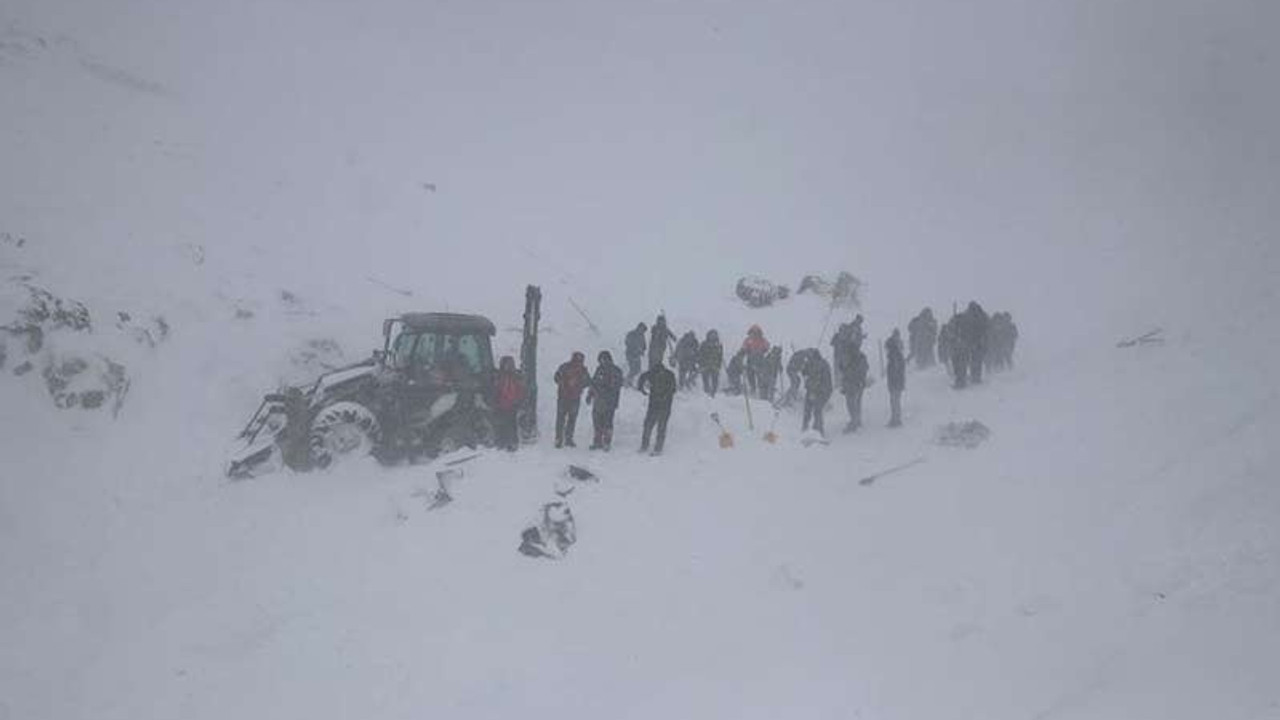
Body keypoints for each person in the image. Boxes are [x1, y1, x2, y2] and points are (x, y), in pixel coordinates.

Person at [585, 350, 624, 451]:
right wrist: (590, 395)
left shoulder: (616, 370)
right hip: (599, 401)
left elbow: (617, 386)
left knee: (607, 422)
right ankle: (598, 441)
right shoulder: (599, 369)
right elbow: (594, 383)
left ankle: (606, 442)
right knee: (598, 423)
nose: (602, 361)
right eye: (601, 360)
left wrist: (602, 389)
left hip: (609, 401)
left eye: (603, 359)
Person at [637, 358, 677, 455]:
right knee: (661, 427)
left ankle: (644, 445)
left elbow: (642, 377)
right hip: (666, 405)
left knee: (648, 425)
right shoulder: (670, 375)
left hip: (653, 404)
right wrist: (665, 396)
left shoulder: (652, 373)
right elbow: (673, 389)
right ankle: (658, 448)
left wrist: (641, 389)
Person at [553, 351, 591, 448]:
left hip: (564, 396)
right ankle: (567, 438)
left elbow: (556, 378)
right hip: (574, 397)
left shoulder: (565, 367)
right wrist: (580, 385)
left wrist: (563, 383)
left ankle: (559, 439)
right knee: (571, 419)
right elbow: (588, 381)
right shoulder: (582, 369)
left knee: (561, 419)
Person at [492, 355, 525, 451]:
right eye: (507, 364)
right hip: (502, 404)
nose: (509, 366)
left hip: (511, 404)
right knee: (503, 424)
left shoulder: (516, 376)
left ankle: (512, 443)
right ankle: (502, 442)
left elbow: (520, 390)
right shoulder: (500, 376)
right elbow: (497, 389)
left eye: (510, 364)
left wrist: (518, 401)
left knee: (511, 424)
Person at [840, 343, 870, 432]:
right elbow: (866, 368)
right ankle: (857, 420)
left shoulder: (849, 357)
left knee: (850, 403)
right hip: (859, 383)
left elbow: (842, 367)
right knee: (857, 402)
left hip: (851, 383)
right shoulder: (861, 356)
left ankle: (854, 422)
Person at [802, 352, 833, 437]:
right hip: (811, 390)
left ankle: (819, 431)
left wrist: (816, 392)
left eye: (810, 358)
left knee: (817, 410)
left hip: (823, 391)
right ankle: (804, 429)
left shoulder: (823, 365)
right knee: (807, 409)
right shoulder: (810, 363)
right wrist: (804, 369)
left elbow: (824, 381)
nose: (809, 360)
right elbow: (805, 373)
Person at [964, 301, 990, 385]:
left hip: (975, 341)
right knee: (976, 360)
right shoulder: (982, 315)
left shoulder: (970, 315)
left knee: (975, 360)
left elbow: (986, 328)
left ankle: (975, 377)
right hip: (976, 341)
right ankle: (976, 377)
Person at [885, 329, 906, 428]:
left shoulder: (894, 356)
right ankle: (895, 418)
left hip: (895, 382)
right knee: (895, 400)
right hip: (897, 381)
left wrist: (894, 382)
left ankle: (896, 419)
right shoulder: (897, 354)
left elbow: (896, 370)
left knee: (894, 400)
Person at [741, 325, 770, 397]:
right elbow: (744, 349)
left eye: (756, 332)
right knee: (750, 376)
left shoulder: (762, 340)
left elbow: (767, 347)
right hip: (750, 360)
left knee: (760, 377)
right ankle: (753, 390)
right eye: (753, 332)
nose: (754, 334)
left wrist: (763, 350)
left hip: (760, 361)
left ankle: (761, 392)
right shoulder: (748, 340)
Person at [698, 329, 724, 396]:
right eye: (711, 335)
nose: (712, 337)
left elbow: (720, 356)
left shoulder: (719, 345)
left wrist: (719, 365)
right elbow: (700, 354)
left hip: (715, 365)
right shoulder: (704, 344)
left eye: (714, 335)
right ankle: (706, 391)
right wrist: (701, 364)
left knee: (715, 379)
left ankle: (713, 392)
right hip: (705, 364)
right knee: (705, 379)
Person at [624, 322, 647, 387]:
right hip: (630, 354)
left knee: (637, 369)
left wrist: (642, 350)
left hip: (637, 355)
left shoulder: (642, 336)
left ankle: (629, 380)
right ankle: (627, 381)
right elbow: (627, 342)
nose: (643, 331)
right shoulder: (632, 334)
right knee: (633, 369)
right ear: (639, 327)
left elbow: (644, 346)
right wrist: (634, 348)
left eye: (644, 330)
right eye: (642, 329)